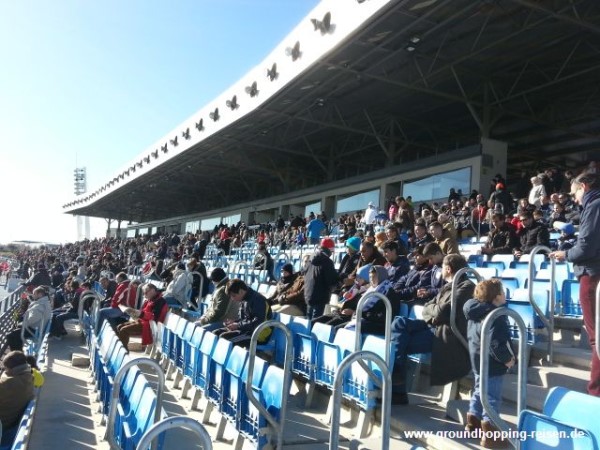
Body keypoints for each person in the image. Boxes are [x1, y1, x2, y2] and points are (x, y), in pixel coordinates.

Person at [388, 254, 474, 404]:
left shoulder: (467, 287)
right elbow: (427, 307)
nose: (441, 270)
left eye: (442, 267)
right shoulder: (447, 285)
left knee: (399, 343)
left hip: (447, 333)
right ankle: (397, 376)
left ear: (448, 268)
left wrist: (434, 313)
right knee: (398, 322)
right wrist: (433, 314)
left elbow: (442, 312)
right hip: (434, 324)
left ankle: (398, 390)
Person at [550, 170, 600, 396]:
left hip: (592, 275)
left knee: (596, 337)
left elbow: (586, 248)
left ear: (585, 187)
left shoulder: (594, 205)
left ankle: (596, 392)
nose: (574, 198)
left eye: (575, 193)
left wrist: (565, 254)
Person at [463, 279, 515, 449]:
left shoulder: (475, 313)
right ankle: (490, 434)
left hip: (477, 361)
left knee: (479, 391)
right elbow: (496, 343)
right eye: (502, 291)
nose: (504, 294)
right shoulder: (497, 316)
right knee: (492, 397)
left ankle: (473, 423)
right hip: (492, 364)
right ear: (497, 296)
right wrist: (507, 359)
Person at [213, 279, 272, 347]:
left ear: (241, 291)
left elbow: (257, 322)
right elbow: (246, 319)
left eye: (234, 295)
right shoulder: (245, 299)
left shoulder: (258, 300)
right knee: (216, 333)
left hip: (258, 334)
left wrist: (238, 325)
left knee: (224, 338)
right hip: (246, 330)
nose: (232, 299)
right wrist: (234, 322)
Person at [117, 283, 168, 349]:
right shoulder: (152, 299)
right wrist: (134, 313)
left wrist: (140, 314)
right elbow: (144, 312)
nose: (144, 295)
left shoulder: (160, 301)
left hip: (150, 326)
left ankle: (123, 351)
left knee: (123, 330)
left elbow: (154, 316)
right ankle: (121, 348)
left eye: (146, 293)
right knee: (119, 326)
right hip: (143, 322)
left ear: (152, 290)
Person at [6, 286, 52, 351]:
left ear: (40, 294)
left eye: (34, 294)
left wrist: (21, 323)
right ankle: (18, 353)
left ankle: (17, 356)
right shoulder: (45, 302)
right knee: (15, 333)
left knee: (10, 335)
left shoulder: (40, 306)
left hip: (34, 330)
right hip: (37, 328)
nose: (33, 296)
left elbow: (32, 320)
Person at [303, 237, 339, 320]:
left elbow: (304, 272)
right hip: (320, 297)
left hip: (308, 295)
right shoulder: (327, 262)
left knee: (309, 321)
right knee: (315, 322)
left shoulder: (310, 259)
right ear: (329, 250)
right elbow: (331, 281)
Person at [0, 351, 35, 430]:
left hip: (4, 424)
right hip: (14, 420)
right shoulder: (29, 376)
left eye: (5, 368)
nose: (4, 370)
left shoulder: (7, 384)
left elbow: (6, 383)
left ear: (11, 369)